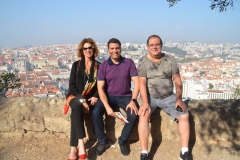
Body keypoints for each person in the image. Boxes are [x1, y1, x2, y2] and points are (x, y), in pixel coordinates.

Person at [137, 35, 192, 160]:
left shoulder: (170, 59)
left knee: (184, 115)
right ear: (147, 47)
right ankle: (144, 152)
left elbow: (177, 81)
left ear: (161, 45)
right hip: (150, 97)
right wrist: (145, 102)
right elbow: (142, 83)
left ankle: (184, 151)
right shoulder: (143, 61)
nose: (154, 47)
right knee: (143, 116)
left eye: (157, 44)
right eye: (152, 45)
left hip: (168, 97)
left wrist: (179, 99)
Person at [92, 38, 139, 156]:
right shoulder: (103, 66)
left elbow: (137, 82)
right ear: (108, 50)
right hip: (109, 96)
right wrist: (107, 107)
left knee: (133, 116)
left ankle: (122, 141)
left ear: (120, 49)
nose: (115, 51)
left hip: (125, 96)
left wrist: (133, 100)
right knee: (96, 112)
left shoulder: (129, 62)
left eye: (117, 48)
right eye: (112, 48)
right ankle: (102, 141)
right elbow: (100, 88)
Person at [65, 38, 100, 160]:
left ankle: (73, 149)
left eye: (90, 47)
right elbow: (72, 87)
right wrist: (83, 100)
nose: (88, 50)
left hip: (89, 97)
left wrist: (95, 96)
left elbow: (100, 86)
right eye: (85, 48)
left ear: (93, 49)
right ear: (82, 50)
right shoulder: (76, 65)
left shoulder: (98, 66)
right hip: (75, 95)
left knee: (75, 112)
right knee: (78, 106)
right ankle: (81, 142)